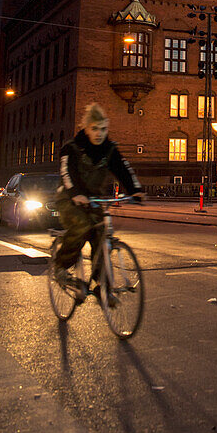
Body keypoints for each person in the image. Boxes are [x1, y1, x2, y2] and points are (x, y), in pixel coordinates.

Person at [54, 103, 141, 294]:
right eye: (94, 129)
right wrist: (75, 193)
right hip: (69, 199)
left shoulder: (109, 150)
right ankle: (61, 266)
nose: (99, 134)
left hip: (93, 200)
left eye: (103, 129)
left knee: (101, 235)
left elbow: (123, 168)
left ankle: (102, 284)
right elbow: (66, 172)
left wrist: (135, 189)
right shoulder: (72, 148)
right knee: (82, 226)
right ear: (86, 128)